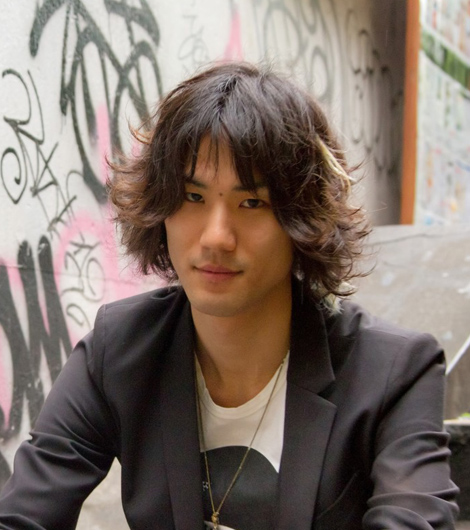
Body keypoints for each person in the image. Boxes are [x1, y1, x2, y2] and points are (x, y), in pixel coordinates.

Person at [0, 62, 459, 529]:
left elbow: (412, 516)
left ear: (302, 220)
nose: (216, 236)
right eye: (193, 197)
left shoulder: (392, 373)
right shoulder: (120, 350)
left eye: (252, 202)